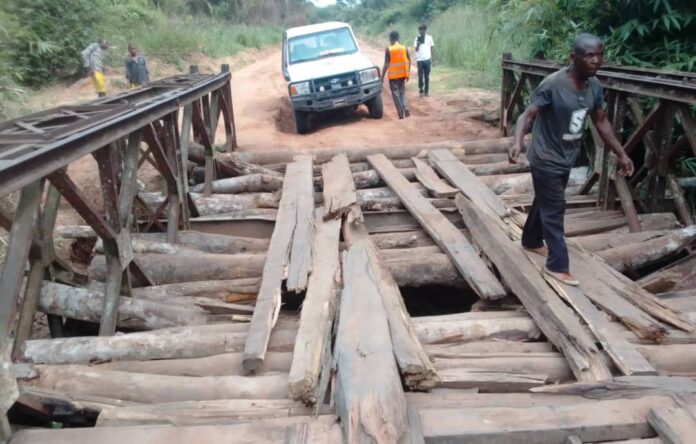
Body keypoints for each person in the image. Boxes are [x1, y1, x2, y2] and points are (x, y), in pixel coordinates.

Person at [508, 33, 634, 286]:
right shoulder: (553, 84)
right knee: (555, 208)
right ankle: (557, 265)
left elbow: (601, 122)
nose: (596, 60)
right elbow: (528, 115)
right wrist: (517, 142)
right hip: (544, 156)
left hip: (567, 156)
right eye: (589, 56)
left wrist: (621, 153)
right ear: (573, 57)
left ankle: (531, 240)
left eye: (599, 55)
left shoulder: (595, 86)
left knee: (545, 200)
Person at [381, 30, 411, 120]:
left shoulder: (389, 49)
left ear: (391, 39)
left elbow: (386, 64)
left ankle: (401, 113)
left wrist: (382, 77)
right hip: (402, 75)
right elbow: (409, 60)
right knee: (402, 92)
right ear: (398, 38)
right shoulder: (404, 48)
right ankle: (405, 107)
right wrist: (408, 73)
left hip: (393, 76)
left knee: (395, 94)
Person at [414, 24, 435, 97]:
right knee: (420, 76)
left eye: (422, 30)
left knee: (427, 76)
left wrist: (433, 59)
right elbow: (416, 50)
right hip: (420, 60)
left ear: (425, 30)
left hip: (427, 59)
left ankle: (426, 91)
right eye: (420, 30)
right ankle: (421, 91)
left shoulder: (429, 38)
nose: (421, 31)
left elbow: (432, 48)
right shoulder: (417, 38)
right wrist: (418, 45)